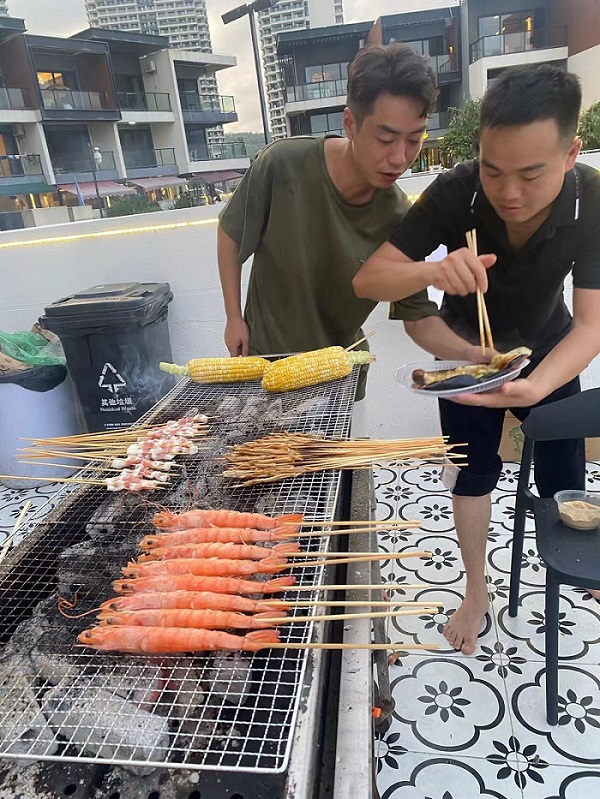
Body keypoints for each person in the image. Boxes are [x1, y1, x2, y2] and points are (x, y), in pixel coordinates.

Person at [353, 64, 600, 654]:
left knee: (564, 477)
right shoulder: (458, 190)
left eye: (530, 174)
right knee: (472, 473)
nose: (509, 193)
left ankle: (580, 570)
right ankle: (475, 590)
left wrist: (536, 386)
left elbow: (592, 323)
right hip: (466, 358)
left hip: (549, 349)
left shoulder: (591, 198)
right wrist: (431, 269)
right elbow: (369, 279)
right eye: (494, 170)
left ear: (570, 154)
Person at [217, 43, 439, 407]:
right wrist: (233, 317)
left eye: (415, 139)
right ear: (350, 123)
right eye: (385, 139)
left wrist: (476, 356)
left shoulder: (400, 216)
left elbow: (418, 317)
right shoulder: (281, 164)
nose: (400, 158)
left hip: (340, 378)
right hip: (264, 365)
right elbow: (230, 234)